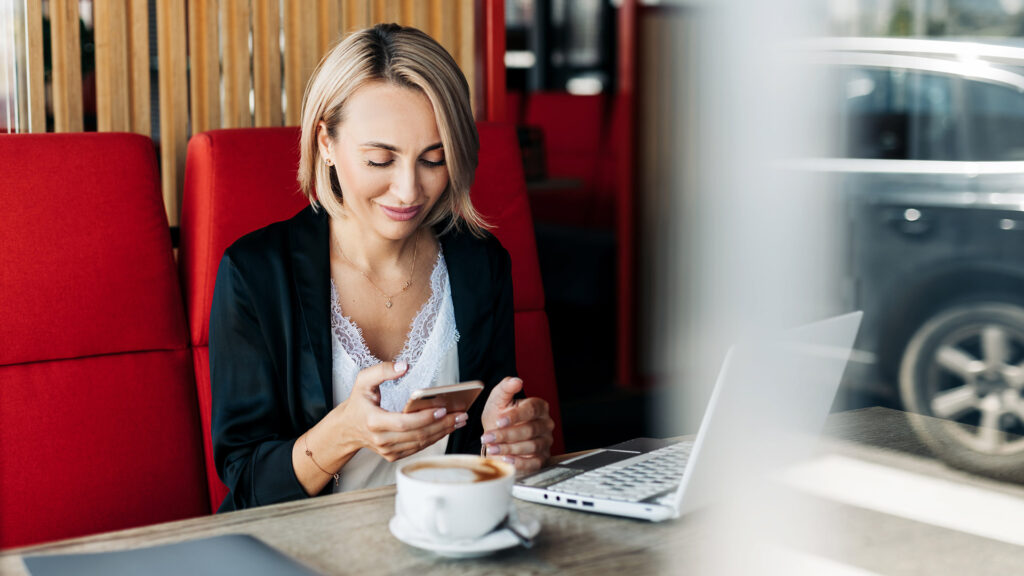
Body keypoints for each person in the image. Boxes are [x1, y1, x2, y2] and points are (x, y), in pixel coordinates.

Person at [209, 23, 555, 512]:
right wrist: (344, 432)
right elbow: (246, 486)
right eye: (379, 160)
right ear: (325, 141)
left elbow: (487, 444)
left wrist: (513, 443)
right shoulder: (255, 274)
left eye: (433, 160)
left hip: (445, 540)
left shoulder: (481, 264)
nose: (409, 191)